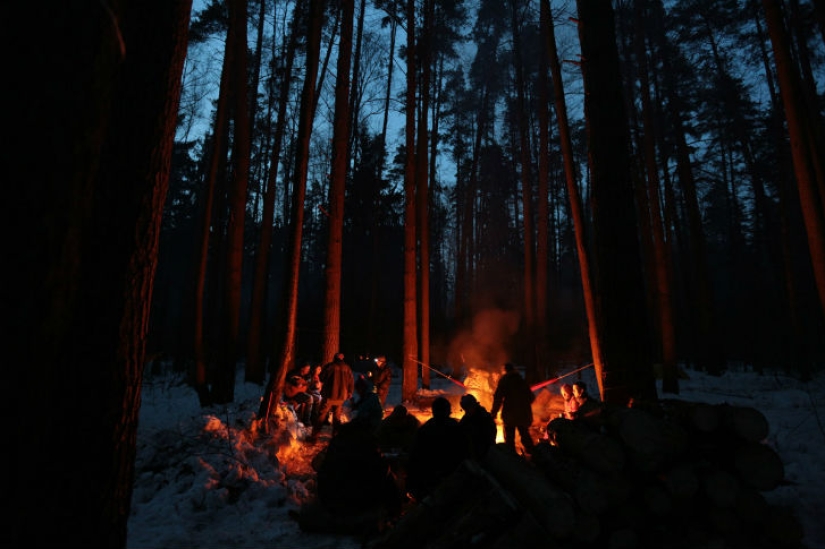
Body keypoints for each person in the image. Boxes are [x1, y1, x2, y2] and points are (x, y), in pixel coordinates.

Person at [405, 397, 470, 502]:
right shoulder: (456, 429)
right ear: (448, 411)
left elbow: (414, 457)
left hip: (431, 479)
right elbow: (465, 452)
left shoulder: (425, 430)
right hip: (448, 478)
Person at [490, 362, 536, 455]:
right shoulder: (521, 380)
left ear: (505, 371)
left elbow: (498, 398)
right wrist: (523, 405)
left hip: (510, 414)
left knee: (509, 438)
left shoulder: (504, 381)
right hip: (523, 414)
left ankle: (511, 456)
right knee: (524, 434)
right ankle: (533, 454)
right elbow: (531, 397)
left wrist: (494, 412)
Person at [309, 352, 354, 442]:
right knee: (337, 417)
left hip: (329, 395)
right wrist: (350, 392)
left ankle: (314, 437)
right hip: (341, 397)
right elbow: (351, 381)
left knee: (321, 415)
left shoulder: (330, 366)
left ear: (334, 358)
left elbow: (322, 378)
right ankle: (335, 437)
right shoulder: (347, 368)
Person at [458, 393, 497, 461]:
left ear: (473, 405)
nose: (466, 411)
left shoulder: (485, 417)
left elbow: (490, 436)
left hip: (485, 452)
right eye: (465, 409)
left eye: (467, 408)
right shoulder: (467, 418)